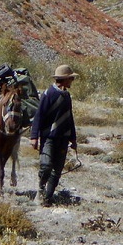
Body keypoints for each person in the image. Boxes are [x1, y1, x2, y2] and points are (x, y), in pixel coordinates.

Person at [30, 64, 78, 206]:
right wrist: (34, 136)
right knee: (46, 166)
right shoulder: (48, 94)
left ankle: (48, 198)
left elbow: (70, 118)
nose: (72, 81)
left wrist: (73, 139)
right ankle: (40, 190)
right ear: (64, 79)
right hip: (49, 138)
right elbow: (39, 115)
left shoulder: (67, 95)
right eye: (71, 79)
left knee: (57, 170)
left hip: (63, 138)